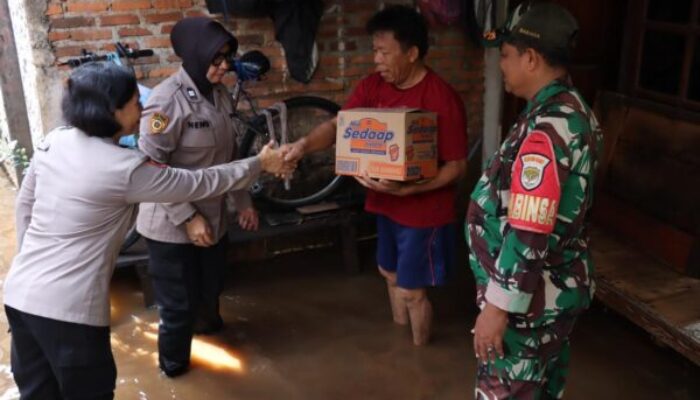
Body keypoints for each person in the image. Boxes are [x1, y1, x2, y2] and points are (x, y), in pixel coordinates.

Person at [3, 62, 291, 399]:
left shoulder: (55, 141)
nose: (143, 109)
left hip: (20, 296)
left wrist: (28, 266)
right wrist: (259, 163)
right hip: (71, 312)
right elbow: (200, 182)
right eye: (135, 103)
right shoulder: (124, 168)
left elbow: (24, 206)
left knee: (37, 394)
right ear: (112, 111)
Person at [283, 5, 468, 346]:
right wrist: (303, 145)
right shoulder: (372, 87)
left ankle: (419, 357)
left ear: (412, 53)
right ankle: (400, 343)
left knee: (413, 290)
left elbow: (457, 166)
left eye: (384, 52)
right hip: (384, 204)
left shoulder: (442, 98)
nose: (377, 60)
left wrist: (411, 191)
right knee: (389, 274)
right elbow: (340, 125)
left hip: (422, 213)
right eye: (374, 51)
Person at [465, 2, 602, 399]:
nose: (501, 65)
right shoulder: (567, 111)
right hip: (550, 292)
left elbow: (528, 228)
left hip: (529, 306)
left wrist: (497, 308)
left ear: (531, 58)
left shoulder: (548, 130)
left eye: (506, 55)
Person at [134, 17, 259, 377]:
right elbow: (150, 166)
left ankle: (211, 341)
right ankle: (174, 371)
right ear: (193, 55)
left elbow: (230, 157)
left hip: (214, 218)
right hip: (171, 225)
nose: (224, 67)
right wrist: (188, 218)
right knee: (177, 307)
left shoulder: (218, 94)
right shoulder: (164, 103)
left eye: (227, 58)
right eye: (216, 59)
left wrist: (244, 203)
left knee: (211, 290)